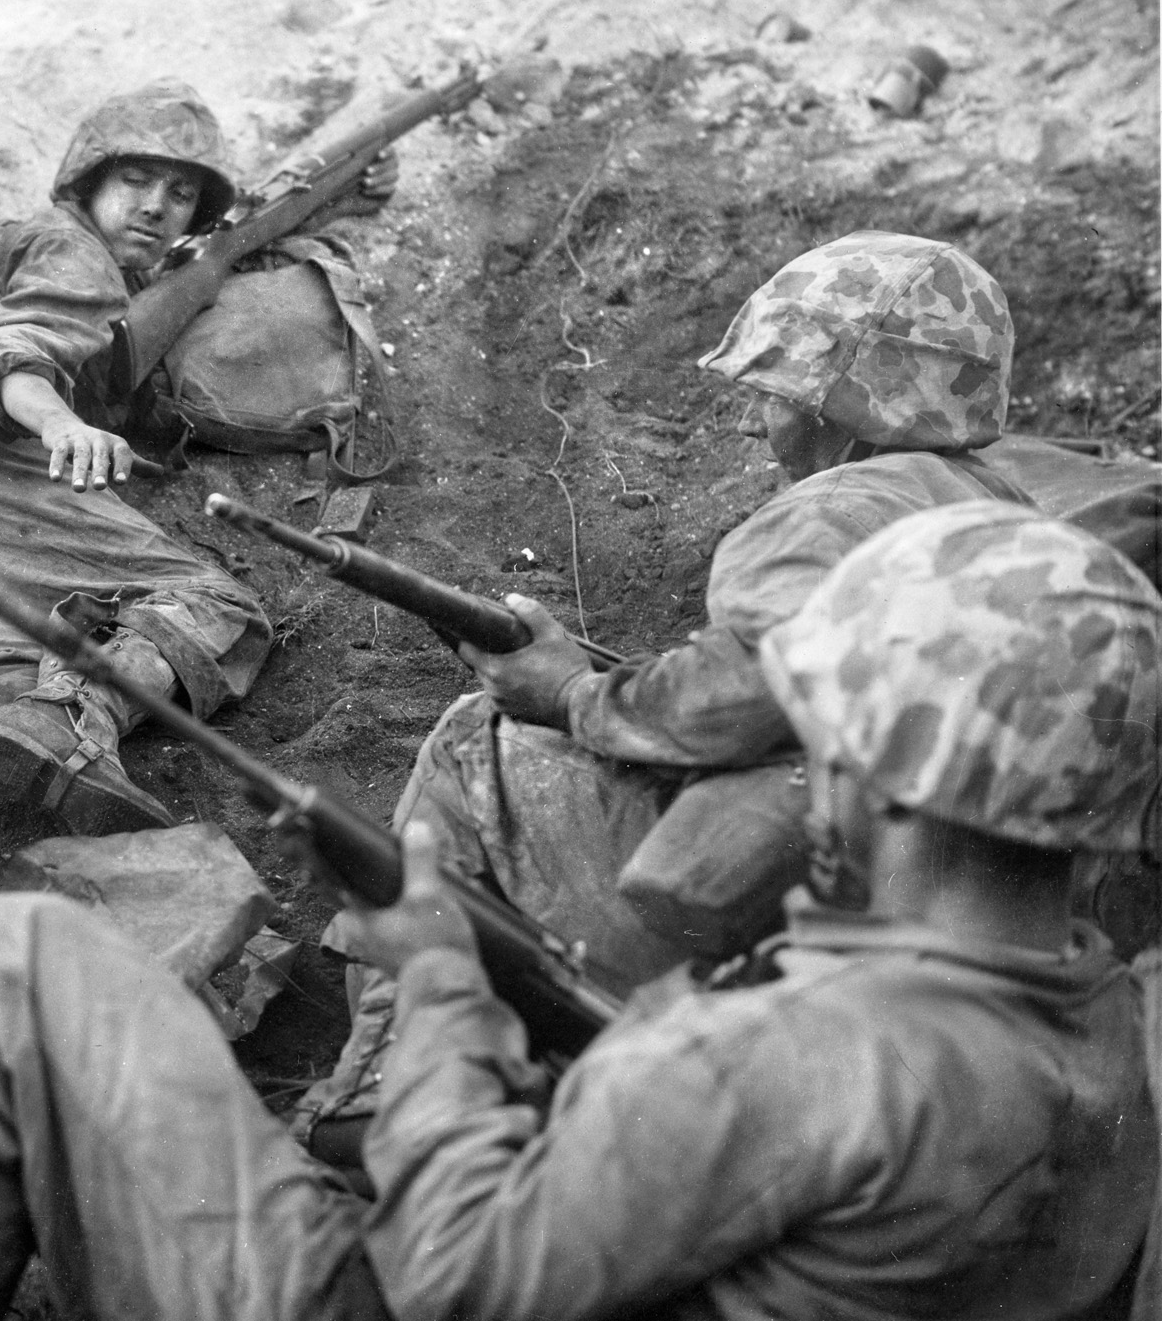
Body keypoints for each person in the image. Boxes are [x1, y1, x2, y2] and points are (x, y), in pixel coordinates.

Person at [0, 499, 1158, 1321]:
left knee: (18, 959)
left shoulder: (802, 1057)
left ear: (875, 757)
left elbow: (451, 1280)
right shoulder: (1101, 1028)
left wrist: (444, 983)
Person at [292, 228, 1045, 1144]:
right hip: (957, 902)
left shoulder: (824, 515)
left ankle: (382, 1083)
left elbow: (741, 699)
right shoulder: (1008, 512)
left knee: (471, 737)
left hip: (811, 900)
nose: (763, 419)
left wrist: (572, 694)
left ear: (835, 401)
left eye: (778, 392)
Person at [0, 79, 389, 836]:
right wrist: (58, 425)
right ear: (90, 179)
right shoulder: (72, 249)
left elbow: (200, 270)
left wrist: (343, 196)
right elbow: (11, 349)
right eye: (134, 179)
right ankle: (81, 721)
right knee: (216, 608)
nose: (153, 205)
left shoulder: (98, 263)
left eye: (179, 193)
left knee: (19, 673)